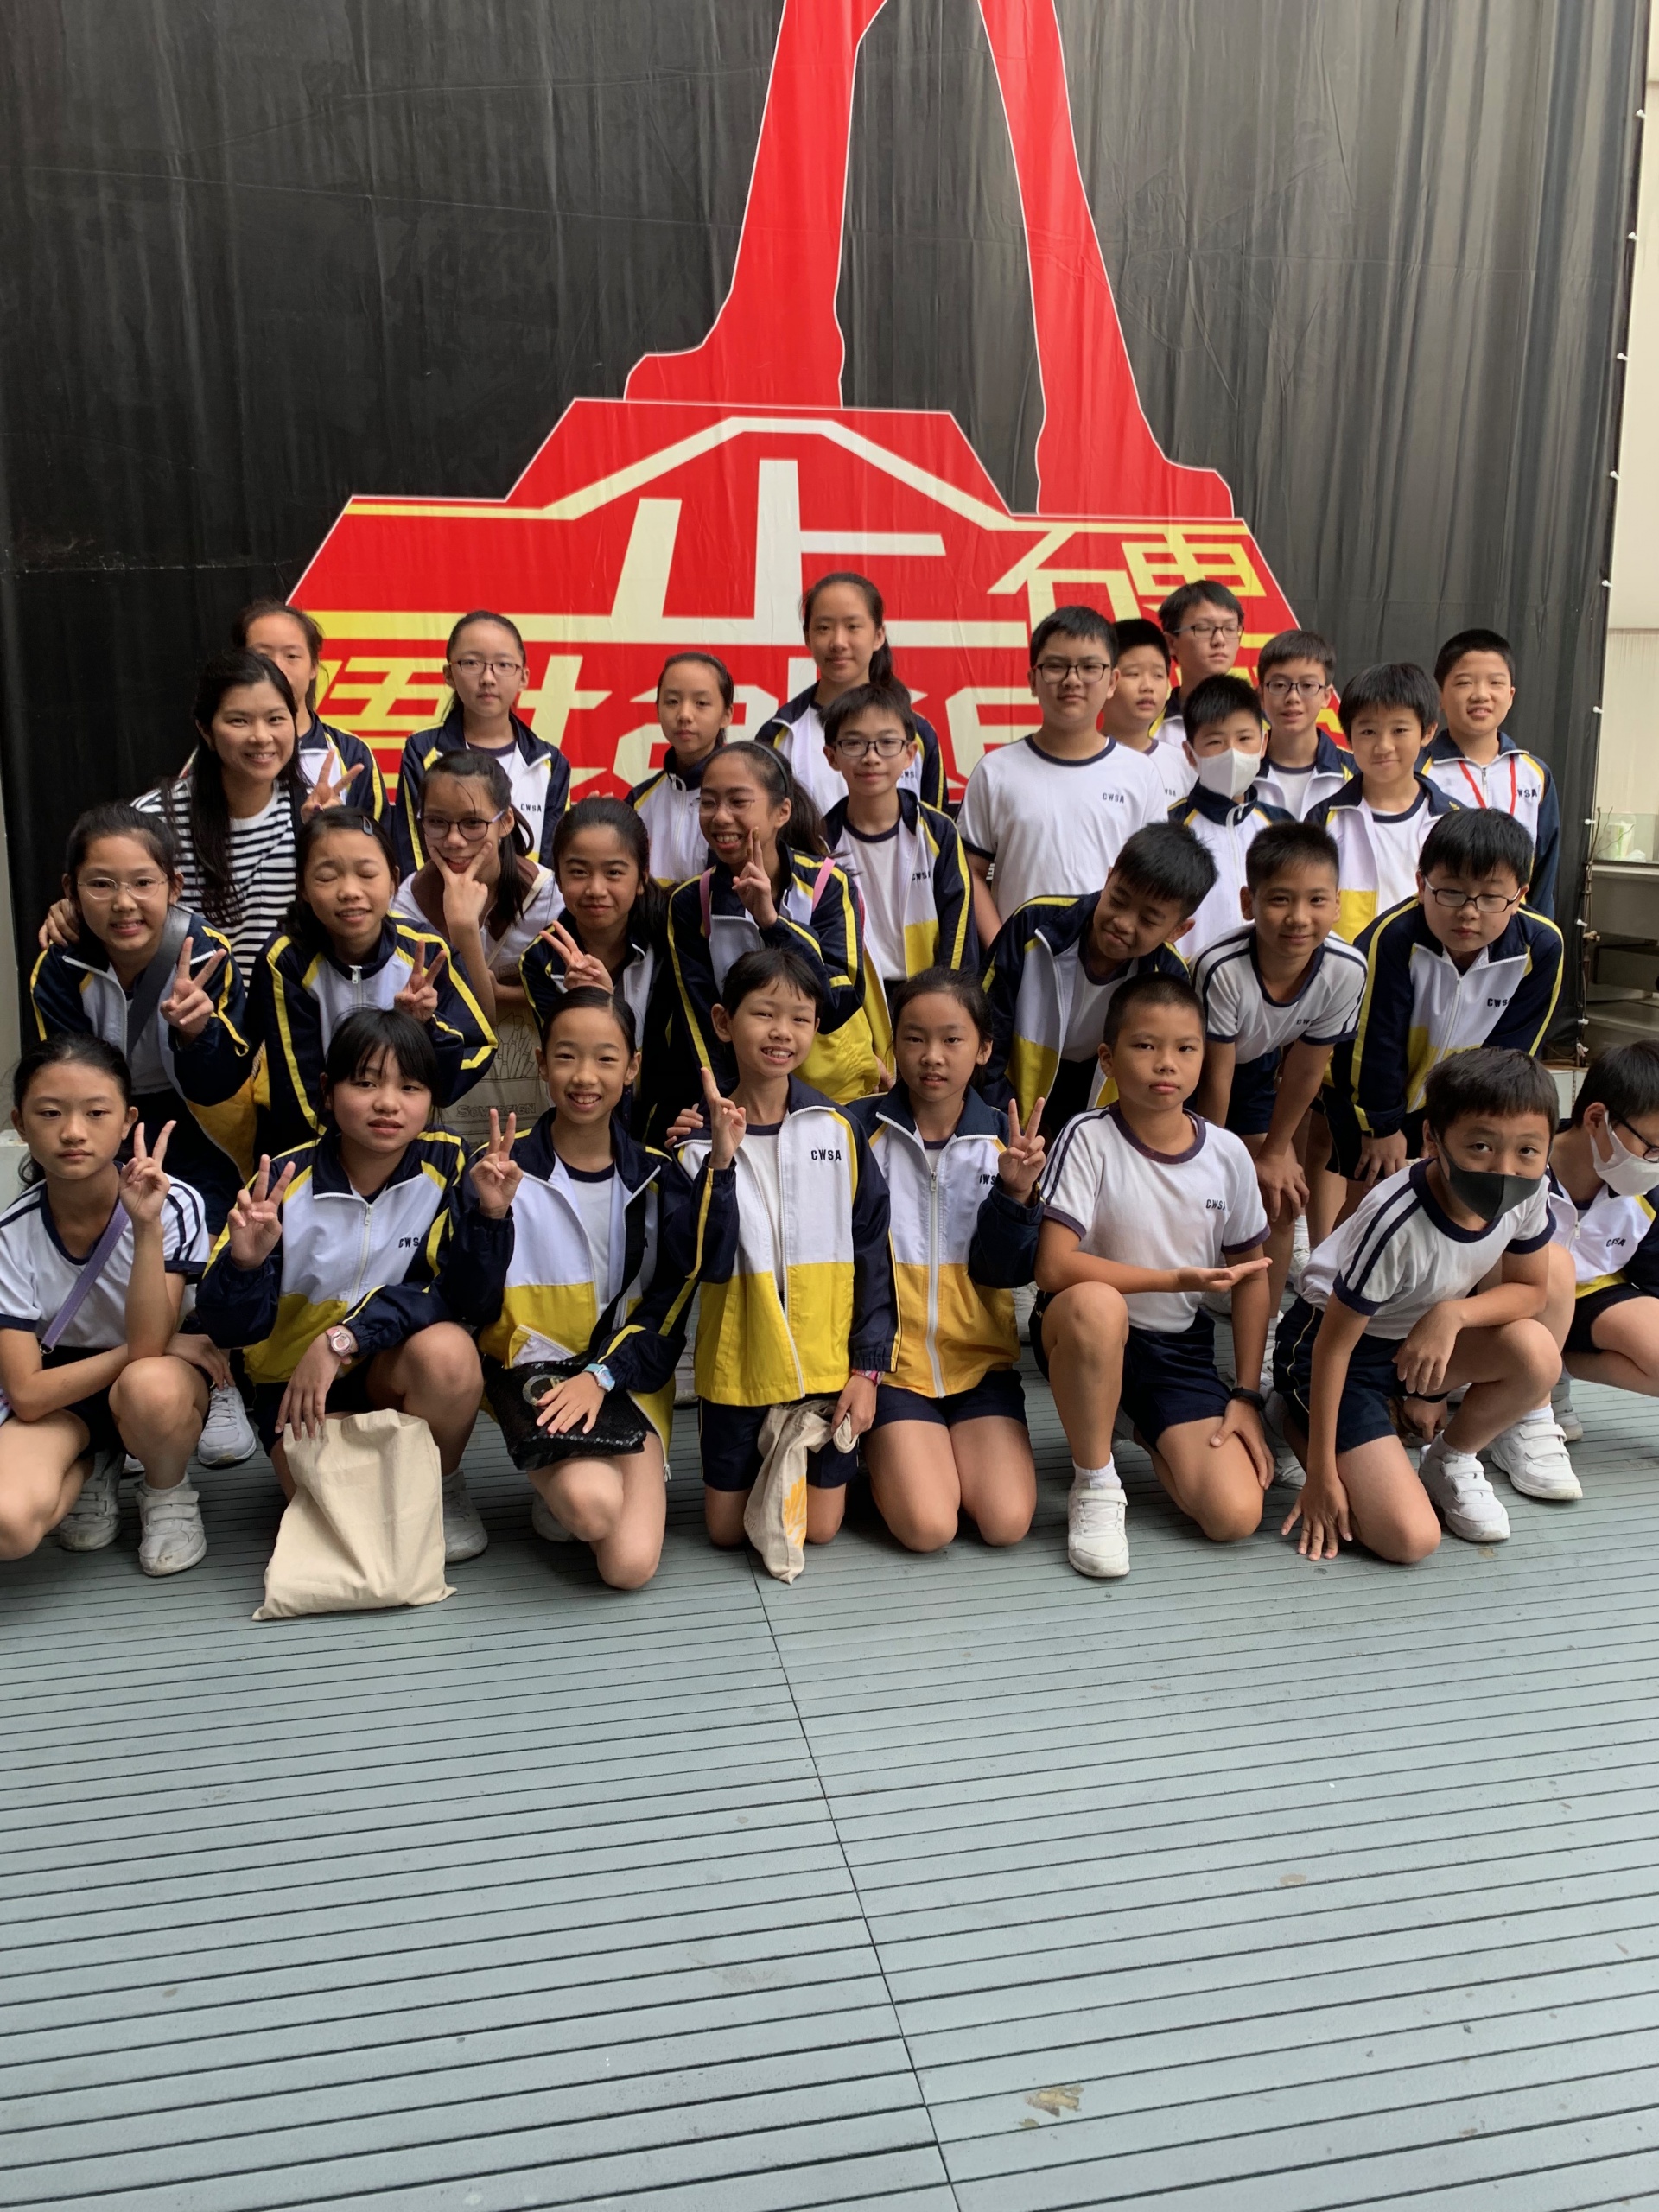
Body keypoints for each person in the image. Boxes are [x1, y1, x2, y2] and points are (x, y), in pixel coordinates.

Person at [195, 1009, 493, 1562]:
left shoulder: (451, 1166)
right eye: (366, 1083)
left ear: (431, 1098)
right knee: (359, 1531)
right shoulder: (282, 1184)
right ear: (328, 1093)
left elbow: (466, 1296)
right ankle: (384, 1477)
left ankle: (443, 1483)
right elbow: (229, 1328)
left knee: (450, 1353)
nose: (388, 1103)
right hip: (296, 1391)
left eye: (410, 1086)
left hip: (387, 1372)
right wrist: (244, 1265)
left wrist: (344, 1338)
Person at [29, 803, 262, 1468]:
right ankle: (128, 1392)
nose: (124, 903)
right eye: (100, 884)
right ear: (71, 890)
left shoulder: (208, 954)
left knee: (212, 1242)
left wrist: (199, 1033)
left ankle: (215, 1373)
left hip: (200, 1124)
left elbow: (226, 1080)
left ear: (174, 885)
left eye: (142, 882)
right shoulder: (59, 966)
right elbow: (67, 1077)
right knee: (101, 1236)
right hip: (105, 1120)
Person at [1274, 1049, 1563, 1558]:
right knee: (1409, 1539)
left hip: (1416, 1342)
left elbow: (1531, 1291)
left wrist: (1453, 1315)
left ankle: (1449, 1458)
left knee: (1536, 1352)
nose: (1504, 1169)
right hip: (1333, 1352)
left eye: (1527, 1150)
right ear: (1432, 1138)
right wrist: (1321, 1475)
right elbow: (1332, 1349)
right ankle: (1288, 1415)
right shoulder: (1396, 1222)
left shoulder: (1531, 1190)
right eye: (1480, 1146)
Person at [1033, 974, 1274, 1580]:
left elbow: (1253, 1276)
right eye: (1145, 1046)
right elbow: (1053, 1266)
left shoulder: (1227, 1153)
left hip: (1178, 1350)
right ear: (1109, 1058)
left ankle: (1130, 1420)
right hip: (1086, 1329)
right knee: (1097, 1305)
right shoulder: (1087, 1136)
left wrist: (1247, 1396)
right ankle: (1094, 1480)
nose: (1166, 1063)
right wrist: (1170, 1280)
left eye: (1186, 1048)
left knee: (1234, 1516)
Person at [462, 989, 701, 1589]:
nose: (585, 1076)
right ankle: (566, 1480)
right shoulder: (500, 1169)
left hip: (624, 1379)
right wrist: (490, 1217)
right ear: (542, 1062)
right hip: (536, 1378)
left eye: (605, 1058)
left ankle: (575, 1477)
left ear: (633, 1067)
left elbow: (669, 1312)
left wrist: (603, 1375)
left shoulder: (658, 1176)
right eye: (567, 1056)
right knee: (593, 1506)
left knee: (628, 1568)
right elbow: (469, 1305)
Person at [674, 949, 896, 1550]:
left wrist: (867, 1370)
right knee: (725, 1533)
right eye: (764, 1014)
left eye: (800, 1018)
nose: (782, 1032)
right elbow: (702, 1263)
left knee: (818, 1530)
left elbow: (873, 1256)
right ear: (724, 1022)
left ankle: (854, 1461)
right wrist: (720, 1165)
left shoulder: (839, 1129)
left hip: (826, 1371)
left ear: (816, 1027)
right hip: (740, 1373)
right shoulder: (695, 1149)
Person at [0, 1035, 219, 1577]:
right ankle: (96, 1460)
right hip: (62, 1393)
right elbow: (26, 1394)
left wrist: (145, 1227)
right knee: (8, 1524)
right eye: (49, 1113)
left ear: (127, 1121)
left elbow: (147, 1353)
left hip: (152, 1380)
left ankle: (166, 1490)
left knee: (150, 1385)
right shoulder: (11, 1233)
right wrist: (163, 1342)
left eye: (96, 1112)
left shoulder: (174, 1204)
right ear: (20, 1124)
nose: (73, 1132)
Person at [848, 970, 1045, 1553]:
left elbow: (1007, 1273)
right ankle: (885, 1459)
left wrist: (1015, 1196)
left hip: (981, 1369)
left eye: (952, 1039)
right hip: (891, 1372)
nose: (932, 1056)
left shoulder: (1008, 1143)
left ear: (983, 1048)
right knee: (929, 1527)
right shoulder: (854, 1131)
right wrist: (702, 1132)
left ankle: (927, 1456)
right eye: (914, 1038)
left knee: (1007, 1523)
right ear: (894, 1045)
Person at [1323, 810, 1563, 1205]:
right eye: (1451, 892)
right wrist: (1381, 1128)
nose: (1469, 911)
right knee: (1368, 1199)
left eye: (1490, 897)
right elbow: (1375, 1042)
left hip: (1460, 1099)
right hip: (1373, 1095)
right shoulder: (1393, 938)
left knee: (1447, 1204)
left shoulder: (1541, 948)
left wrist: (1465, 1125)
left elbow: (1511, 1054)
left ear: (1519, 896)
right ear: (1422, 885)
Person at [1191, 821, 1367, 1317]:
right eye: (1280, 900)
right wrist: (1210, 1164)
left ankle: (1263, 1325)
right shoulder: (1220, 967)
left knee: (1282, 1192)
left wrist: (1274, 1154)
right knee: (1195, 1185)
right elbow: (1215, 1077)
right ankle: (1190, 1287)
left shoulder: (1347, 969)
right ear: (1248, 903)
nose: (1298, 918)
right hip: (1193, 1074)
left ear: (1337, 904)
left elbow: (1306, 1071)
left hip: (1262, 1070)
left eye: (1316, 900)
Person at [254, 810, 496, 1152]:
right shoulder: (286, 960)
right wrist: (346, 1159)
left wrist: (424, 1028)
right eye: (327, 877)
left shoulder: (426, 951)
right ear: (303, 888)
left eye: (367, 874)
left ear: (394, 880)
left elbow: (477, 1049)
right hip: (316, 1152)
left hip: (405, 1144)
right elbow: (296, 1092)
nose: (349, 891)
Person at [661, 741, 875, 1116]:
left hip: (833, 1095)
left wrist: (772, 923)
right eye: (708, 802)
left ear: (782, 812)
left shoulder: (827, 884)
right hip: (744, 1103)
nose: (720, 817)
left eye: (738, 802)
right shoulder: (691, 902)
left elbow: (838, 1003)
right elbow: (702, 1021)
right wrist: (722, 1103)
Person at [956, 606, 1166, 949]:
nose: (1072, 680)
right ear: (1032, 680)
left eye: (1089, 667)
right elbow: (970, 872)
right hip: (1019, 961)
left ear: (1112, 682)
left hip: (1109, 961)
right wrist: (1001, 948)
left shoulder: (1140, 774)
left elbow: (1153, 879)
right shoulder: (996, 771)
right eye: (1056, 666)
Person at [981, 822, 1212, 1130]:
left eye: (1148, 920)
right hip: (1012, 1103)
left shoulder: (1169, 977)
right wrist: (1000, 1123)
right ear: (1108, 878)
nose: (1123, 923)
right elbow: (986, 1032)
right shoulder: (1033, 926)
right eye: (1118, 900)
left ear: (1177, 930)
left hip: (1104, 1114)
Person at [128, 651, 308, 978]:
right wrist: (72, 911)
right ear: (206, 730)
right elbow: (120, 909)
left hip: (283, 1007)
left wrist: (328, 842)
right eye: (239, 720)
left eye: (275, 719)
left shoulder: (309, 814)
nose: (261, 736)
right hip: (189, 1004)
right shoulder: (152, 821)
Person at [819, 681, 974, 1045]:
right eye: (854, 743)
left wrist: (947, 1001)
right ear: (832, 756)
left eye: (887, 743)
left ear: (910, 754)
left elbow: (958, 927)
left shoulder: (937, 832)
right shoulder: (820, 842)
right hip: (855, 1003)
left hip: (930, 994)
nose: (871, 757)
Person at [519, 800, 672, 1130]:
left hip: (670, 1119)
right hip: (592, 1122)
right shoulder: (540, 961)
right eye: (578, 872)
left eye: (614, 872)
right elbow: (568, 1067)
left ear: (642, 877)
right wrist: (597, 1003)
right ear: (558, 878)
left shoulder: (670, 939)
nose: (595, 889)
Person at [753, 571, 947, 816]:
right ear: (807, 637)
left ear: (878, 636)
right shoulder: (779, 735)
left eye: (853, 626)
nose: (838, 642)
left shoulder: (916, 733)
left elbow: (935, 832)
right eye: (824, 628)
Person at [1543, 1041, 1659, 1445]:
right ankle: (1519, 1395)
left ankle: (1548, 1374)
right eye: (1653, 1147)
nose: (1655, 1163)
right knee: (1546, 1265)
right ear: (1597, 1119)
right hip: (1508, 1298)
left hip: (1590, 1296)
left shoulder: (1648, 1192)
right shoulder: (1520, 1165)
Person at [392, 611, 570, 874]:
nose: (488, 678)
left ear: (523, 677)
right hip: (442, 898)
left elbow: (550, 863)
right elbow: (414, 854)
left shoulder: (549, 762)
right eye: (472, 663)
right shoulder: (423, 752)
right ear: (449, 674)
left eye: (503, 664)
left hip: (529, 900)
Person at [391, 749, 561, 1023]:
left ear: (505, 822)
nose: (454, 840)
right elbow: (476, 1029)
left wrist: (503, 993)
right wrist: (463, 929)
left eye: (472, 823)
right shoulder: (407, 906)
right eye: (436, 822)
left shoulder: (549, 896)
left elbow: (571, 994)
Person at [1310, 664, 1455, 942]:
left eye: (1399, 730)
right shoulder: (1324, 820)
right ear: (1348, 737)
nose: (1383, 746)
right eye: (1368, 732)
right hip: (1345, 966)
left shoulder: (1452, 821)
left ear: (1427, 732)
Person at [1424, 628, 1561, 918]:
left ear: (1510, 695)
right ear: (1440, 696)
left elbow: (1544, 872)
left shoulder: (1535, 775)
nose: (1481, 695)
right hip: (1440, 923)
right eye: (1464, 683)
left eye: (1495, 682)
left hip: (1514, 930)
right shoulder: (1418, 771)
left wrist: (1539, 932)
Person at [1166, 674, 1292, 960]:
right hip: (1188, 981)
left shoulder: (1283, 828)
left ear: (1263, 743)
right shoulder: (1170, 828)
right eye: (1215, 741)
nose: (1232, 753)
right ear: (1190, 754)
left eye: (1244, 738)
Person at [232, 599, 386, 822]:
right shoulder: (224, 748)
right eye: (262, 657)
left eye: (291, 656)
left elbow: (378, 840)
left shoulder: (352, 754)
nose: (277, 667)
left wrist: (331, 828)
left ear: (314, 666)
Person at [628, 652, 734, 886]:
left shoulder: (744, 798)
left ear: (726, 715)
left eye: (701, 703)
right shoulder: (638, 802)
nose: (684, 715)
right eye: (672, 702)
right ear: (657, 710)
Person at [1250, 628, 1352, 821]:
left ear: (1326, 696)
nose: (1293, 697)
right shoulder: (1241, 772)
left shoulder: (1356, 774)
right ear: (1261, 695)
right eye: (1280, 685)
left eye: (1307, 686)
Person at [1102, 617, 1192, 809]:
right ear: (1105, 681)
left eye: (1158, 675)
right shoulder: (1078, 760)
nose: (1148, 686)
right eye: (1133, 674)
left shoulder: (1185, 766)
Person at [1156, 579, 1244, 744]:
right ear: (1171, 643)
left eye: (1230, 629)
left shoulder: (1262, 725)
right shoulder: (1148, 729)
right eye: (1204, 628)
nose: (1220, 640)